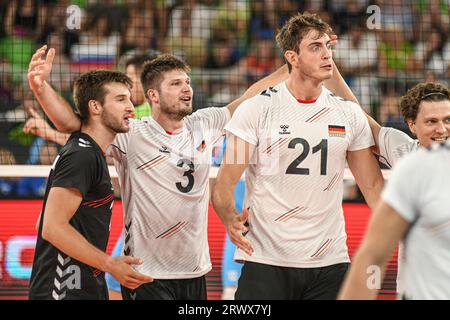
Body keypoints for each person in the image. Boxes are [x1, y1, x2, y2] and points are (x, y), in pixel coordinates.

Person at [26, 44, 290, 300]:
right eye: (175, 84)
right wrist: (41, 87)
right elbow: (74, 123)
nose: (186, 88)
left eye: (187, 82)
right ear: (153, 95)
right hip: (147, 273)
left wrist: (292, 67)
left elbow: (248, 99)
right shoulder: (132, 133)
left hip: (194, 270)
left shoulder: (204, 123)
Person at [211, 12, 384, 300]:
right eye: (316, 47)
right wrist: (228, 216)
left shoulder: (348, 113)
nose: (327, 54)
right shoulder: (257, 109)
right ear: (292, 57)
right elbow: (225, 183)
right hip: (267, 259)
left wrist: (398, 231)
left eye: (328, 46)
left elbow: (373, 186)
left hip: (329, 261)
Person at [27, 66, 152, 300]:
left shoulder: (87, 150)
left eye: (129, 99)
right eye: (120, 99)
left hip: (80, 285)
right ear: (95, 107)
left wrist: (41, 88)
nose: (130, 107)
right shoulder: (82, 155)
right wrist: (110, 264)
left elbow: (42, 223)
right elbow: (51, 227)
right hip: (62, 290)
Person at [338, 139, 450, 300]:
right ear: (413, 125)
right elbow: (372, 255)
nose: (441, 128)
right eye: (431, 121)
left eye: (446, 120)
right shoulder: (411, 158)